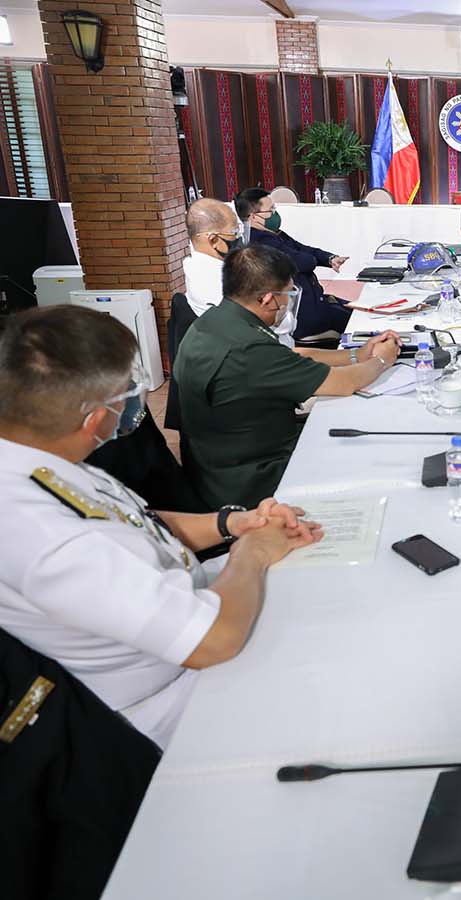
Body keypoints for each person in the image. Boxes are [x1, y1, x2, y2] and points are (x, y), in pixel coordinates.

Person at [0, 305, 323, 747]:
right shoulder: (45, 536)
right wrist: (255, 552)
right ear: (95, 419)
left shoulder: (34, 457)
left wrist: (234, 524)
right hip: (168, 704)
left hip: (183, 619)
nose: (134, 400)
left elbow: (135, 522)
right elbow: (215, 640)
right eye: (125, 393)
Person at [174, 246, 403, 509]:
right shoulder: (251, 350)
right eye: (288, 294)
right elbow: (344, 384)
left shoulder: (217, 320)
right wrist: (383, 359)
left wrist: (357, 355)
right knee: (374, 459)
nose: (288, 303)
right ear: (268, 299)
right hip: (254, 478)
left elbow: (290, 355)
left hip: (216, 461)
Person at [234, 188, 350, 339]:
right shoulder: (260, 243)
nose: (275, 214)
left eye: (274, 208)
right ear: (254, 217)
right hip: (305, 315)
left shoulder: (273, 234)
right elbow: (304, 262)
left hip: (317, 302)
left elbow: (302, 249)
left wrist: (329, 258)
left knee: (356, 308)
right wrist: (309, 258)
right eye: (271, 210)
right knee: (359, 321)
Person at [183, 198, 299, 347]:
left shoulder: (203, 266)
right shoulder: (213, 279)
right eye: (235, 232)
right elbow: (279, 321)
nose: (239, 238)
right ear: (213, 240)